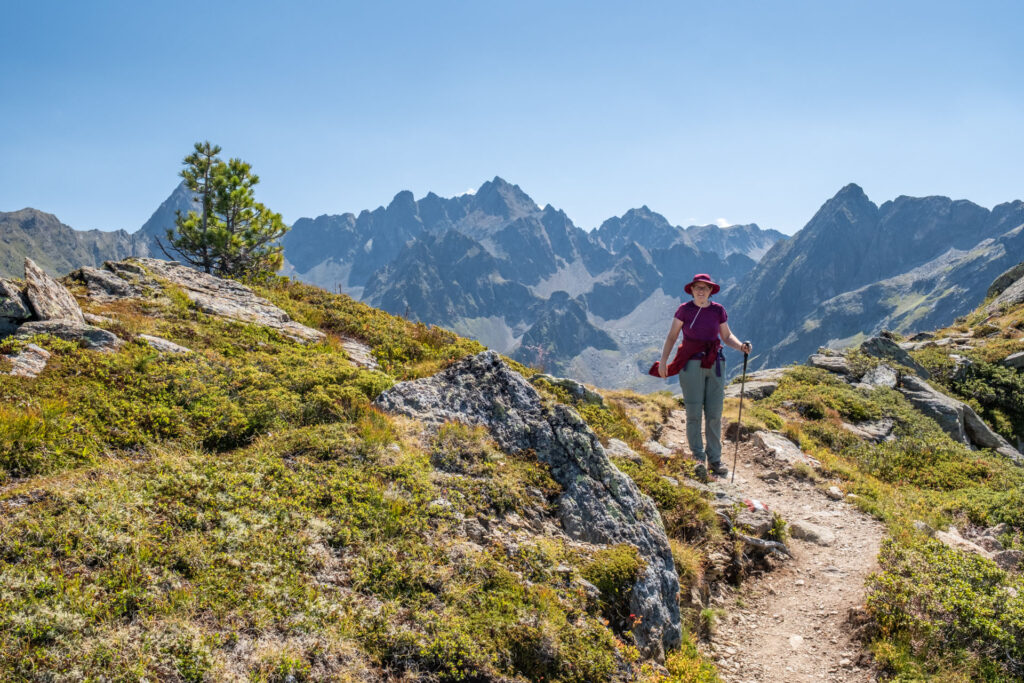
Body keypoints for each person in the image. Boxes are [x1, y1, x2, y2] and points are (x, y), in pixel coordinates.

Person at [649, 273, 752, 479]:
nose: (701, 291)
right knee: (694, 412)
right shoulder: (684, 310)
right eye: (698, 287)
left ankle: (714, 459)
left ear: (711, 290)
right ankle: (698, 458)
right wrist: (664, 361)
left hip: (715, 363)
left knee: (714, 413)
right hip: (691, 364)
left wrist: (740, 346)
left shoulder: (718, 310)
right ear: (692, 290)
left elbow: (726, 336)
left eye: (705, 288)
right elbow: (672, 336)